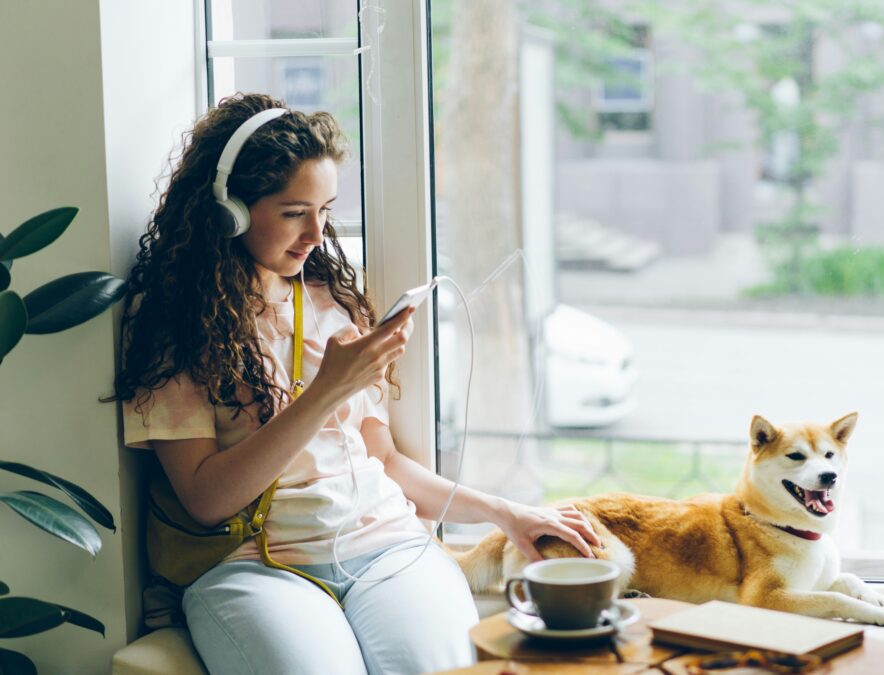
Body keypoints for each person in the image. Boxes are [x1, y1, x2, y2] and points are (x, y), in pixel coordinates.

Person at [112, 93, 599, 675]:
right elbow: (204, 501)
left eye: (325, 209)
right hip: (252, 564)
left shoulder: (332, 302)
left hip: (386, 546)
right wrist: (326, 393)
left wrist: (504, 513)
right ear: (228, 212)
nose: (315, 233)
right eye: (294, 212)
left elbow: (384, 461)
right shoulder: (175, 323)